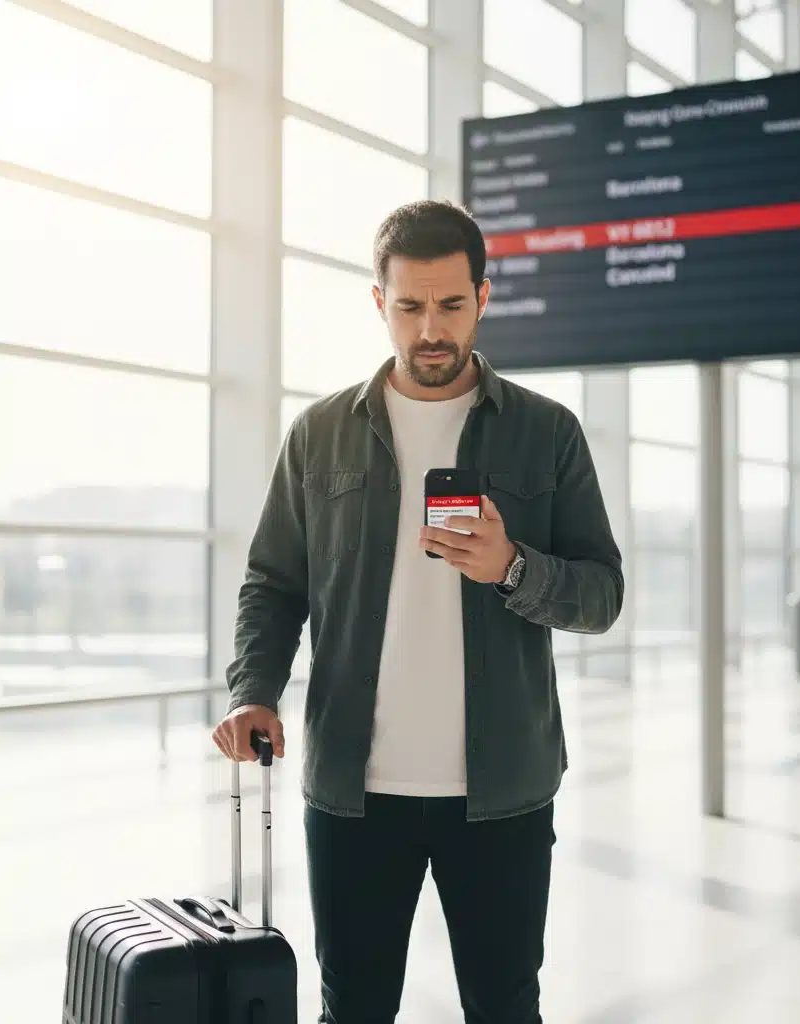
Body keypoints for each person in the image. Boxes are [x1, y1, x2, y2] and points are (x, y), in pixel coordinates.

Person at [212, 199, 624, 1023]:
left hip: (503, 790)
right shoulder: (321, 433)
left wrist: (512, 567)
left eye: (449, 305)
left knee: (505, 1010)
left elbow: (601, 595)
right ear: (378, 302)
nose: (429, 330)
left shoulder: (548, 434)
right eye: (409, 307)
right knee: (352, 1008)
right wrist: (251, 689)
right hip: (354, 789)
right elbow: (273, 581)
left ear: (483, 297)